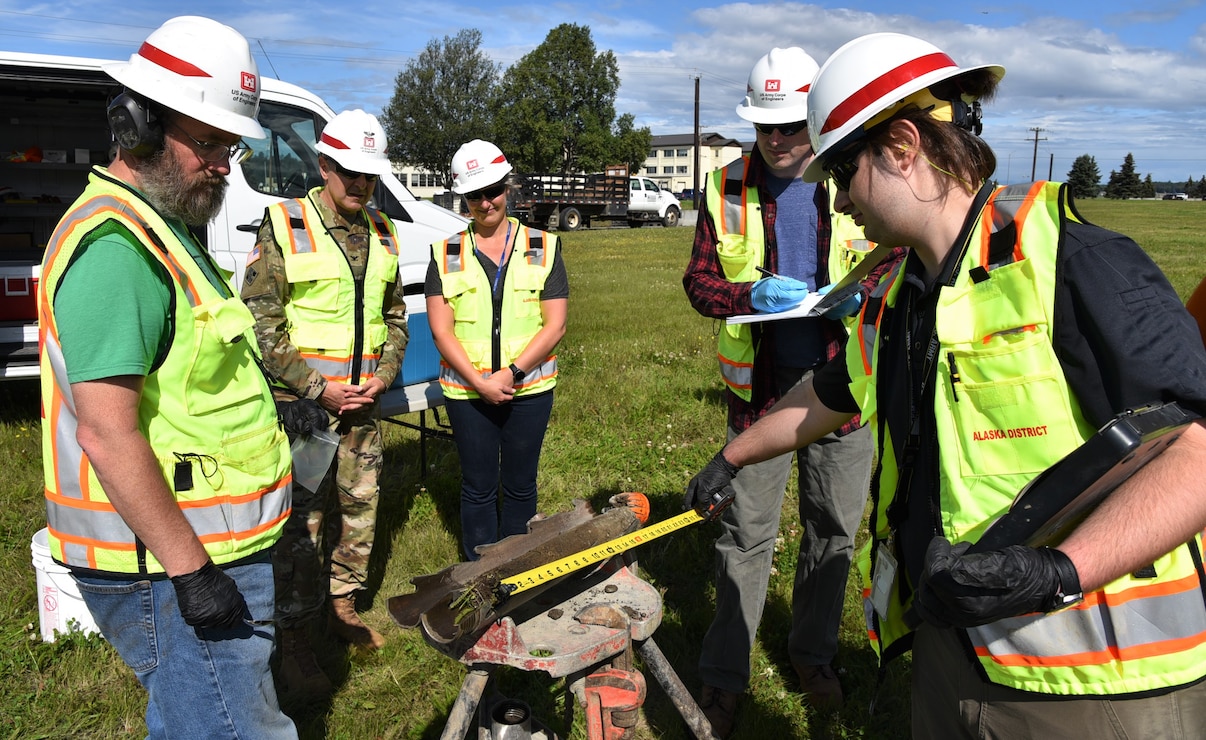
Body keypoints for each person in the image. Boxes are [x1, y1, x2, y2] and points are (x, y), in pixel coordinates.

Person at [684, 32, 1206, 738]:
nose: (838, 204)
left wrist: (1057, 571)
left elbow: (1197, 454)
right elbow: (831, 394)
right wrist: (736, 456)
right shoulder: (899, 292)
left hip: (1098, 688)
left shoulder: (1077, 261)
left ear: (901, 147)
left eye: (843, 174)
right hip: (957, 652)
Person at [37, 16, 296, 738]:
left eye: (230, 144)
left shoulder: (167, 224)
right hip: (169, 562)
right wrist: (193, 574)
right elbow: (107, 432)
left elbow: (188, 373)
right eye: (207, 143)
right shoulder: (118, 249)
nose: (224, 163)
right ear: (137, 128)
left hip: (201, 545)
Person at [682, 47, 903, 733]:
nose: (778, 140)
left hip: (845, 392)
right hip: (761, 400)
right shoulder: (725, 188)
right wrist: (751, 292)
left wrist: (863, 295)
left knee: (833, 534)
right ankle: (724, 677)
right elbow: (699, 283)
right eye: (765, 127)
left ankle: (812, 658)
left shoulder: (857, 176)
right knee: (744, 538)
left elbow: (899, 261)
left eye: (791, 126)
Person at [241, 109, 406, 701]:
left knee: (359, 511)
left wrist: (383, 377)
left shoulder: (385, 230)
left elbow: (395, 318)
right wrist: (316, 389)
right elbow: (259, 321)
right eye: (351, 172)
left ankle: (342, 607)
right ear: (325, 164)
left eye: (370, 175)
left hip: (363, 408)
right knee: (301, 525)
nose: (361, 185)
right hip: (307, 412)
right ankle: (293, 640)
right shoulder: (285, 224)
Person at [425, 139, 568, 560]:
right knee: (478, 487)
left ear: (508, 187)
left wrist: (511, 375)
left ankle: (520, 571)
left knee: (521, 485)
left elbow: (555, 324)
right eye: (474, 195)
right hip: (469, 395)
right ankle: (480, 577)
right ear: (463, 198)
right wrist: (479, 383)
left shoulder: (544, 246)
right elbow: (441, 331)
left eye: (493, 191)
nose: (486, 203)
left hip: (529, 391)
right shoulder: (446, 253)